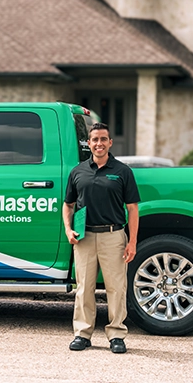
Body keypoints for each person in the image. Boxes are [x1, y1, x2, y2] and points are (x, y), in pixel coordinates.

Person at [62, 122, 140, 354]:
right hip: (84, 238)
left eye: (103, 139)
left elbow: (133, 209)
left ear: (110, 143)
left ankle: (116, 334)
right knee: (84, 287)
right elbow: (68, 205)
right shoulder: (78, 171)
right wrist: (68, 229)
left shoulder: (123, 171)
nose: (99, 144)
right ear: (89, 143)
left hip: (113, 236)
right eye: (94, 139)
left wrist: (132, 241)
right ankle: (83, 334)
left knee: (115, 288)